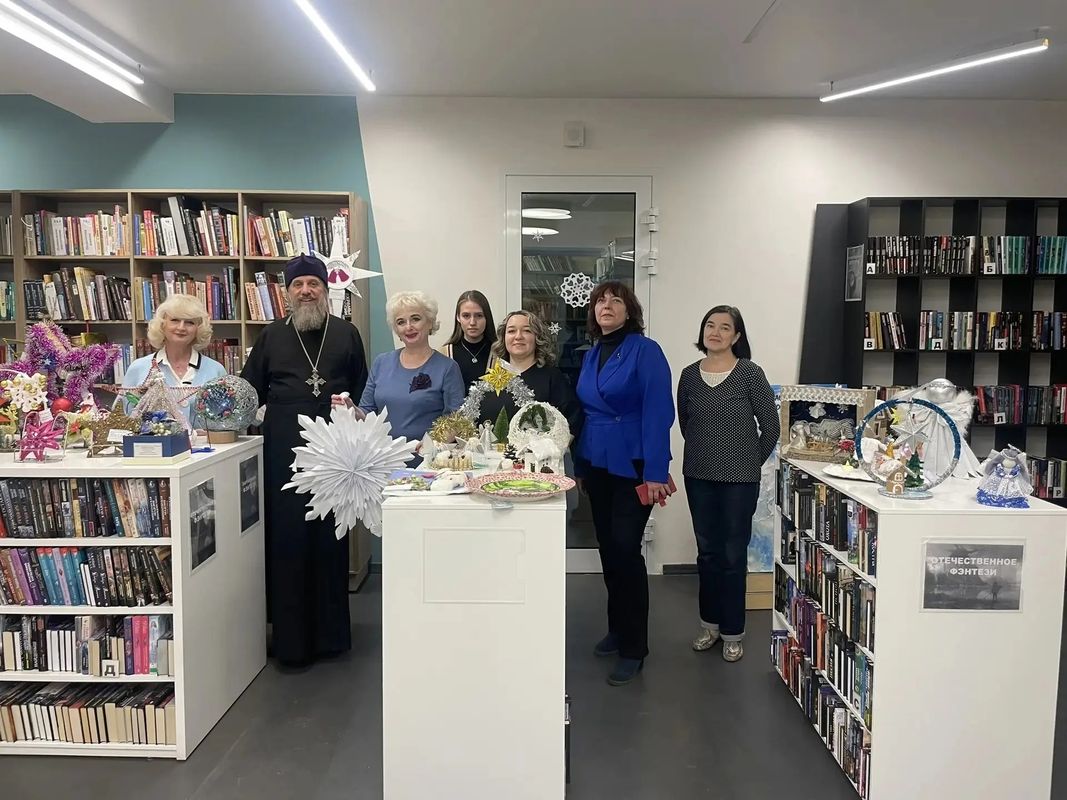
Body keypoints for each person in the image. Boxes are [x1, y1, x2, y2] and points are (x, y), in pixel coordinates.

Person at [240, 254, 369, 667]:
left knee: (330, 538)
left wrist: (349, 412)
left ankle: (330, 637)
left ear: (325, 290)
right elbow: (248, 391)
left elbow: (363, 390)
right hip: (283, 449)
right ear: (288, 293)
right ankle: (292, 641)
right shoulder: (271, 335)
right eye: (298, 285)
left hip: (334, 451)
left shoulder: (346, 333)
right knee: (288, 538)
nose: (306, 291)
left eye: (313, 284)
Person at [574, 281, 674, 686]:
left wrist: (655, 473)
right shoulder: (591, 353)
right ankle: (617, 629)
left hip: (634, 464)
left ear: (629, 311)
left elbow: (658, 411)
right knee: (608, 550)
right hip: (596, 462)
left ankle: (635, 647)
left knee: (626, 551)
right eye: (600, 301)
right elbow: (588, 412)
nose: (607, 306)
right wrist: (581, 466)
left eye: (616, 301)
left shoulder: (646, 351)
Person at [676, 305, 779, 663]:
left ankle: (733, 632)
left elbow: (771, 426)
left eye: (724, 327)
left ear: (736, 336)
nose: (715, 332)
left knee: (733, 555)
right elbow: (686, 423)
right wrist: (709, 453)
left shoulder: (750, 373)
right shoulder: (689, 376)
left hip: (740, 481)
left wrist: (748, 463)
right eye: (710, 325)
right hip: (699, 475)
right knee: (707, 553)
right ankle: (710, 626)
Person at [359, 291, 464, 445]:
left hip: (426, 456)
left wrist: (431, 444)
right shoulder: (381, 362)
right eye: (401, 322)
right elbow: (366, 412)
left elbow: (456, 420)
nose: (408, 327)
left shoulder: (448, 368)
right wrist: (350, 410)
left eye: (415, 319)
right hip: (383, 455)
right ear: (396, 330)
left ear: (430, 322)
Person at [121, 293, 227, 423]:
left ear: (198, 329)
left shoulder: (216, 370)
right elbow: (123, 419)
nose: (181, 327)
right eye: (175, 320)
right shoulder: (138, 368)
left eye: (189, 322)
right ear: (162, 325)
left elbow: (227, 420)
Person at [480, 310, 582, 437]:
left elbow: (572, 422)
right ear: (503, 338)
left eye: (527, 331)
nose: (518, 336)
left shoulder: (552, 377)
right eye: (511, 331)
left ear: (537, 338)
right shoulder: (493, 378)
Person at [440, 290, 498, 390]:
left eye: (479, 316)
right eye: (466, 316)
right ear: (458, 317)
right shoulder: (444, 354)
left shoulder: (499, 353)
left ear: (487, 317)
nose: (472, 322)